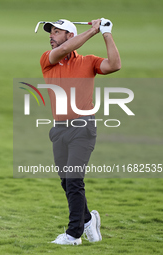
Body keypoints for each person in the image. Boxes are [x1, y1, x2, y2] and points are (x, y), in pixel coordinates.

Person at [39, 18, 121, 245]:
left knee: (74, 180)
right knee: (66, 181)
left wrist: (105, 33)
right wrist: (94, 29)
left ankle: (74, 234)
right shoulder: (48, 58)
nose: (51, 36)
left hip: (83, 127)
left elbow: (114, 65)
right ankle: (87, 219)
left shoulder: (89, 61)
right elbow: (65, 49)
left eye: (57, 32)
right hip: (59, 129)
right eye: (51, 32)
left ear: (70, 35)